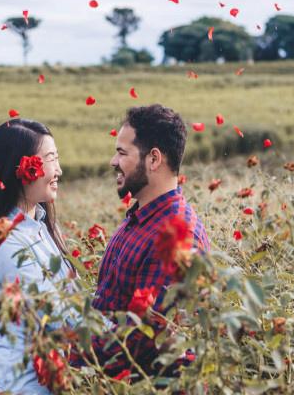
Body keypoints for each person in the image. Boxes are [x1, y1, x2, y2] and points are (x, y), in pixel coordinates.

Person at [70, 104, 210, 378]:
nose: (113, 161)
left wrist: (66, 348)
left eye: (122, 153)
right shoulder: (140, 217)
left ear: (154, 159)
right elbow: (110, 306)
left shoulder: (175, 236)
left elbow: (142, 339)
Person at [0, 118, 74, 395]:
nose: (59, 170)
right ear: (23, 169)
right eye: (50, 159)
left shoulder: (39, 226)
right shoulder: (4, 242)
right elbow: (54, 315)